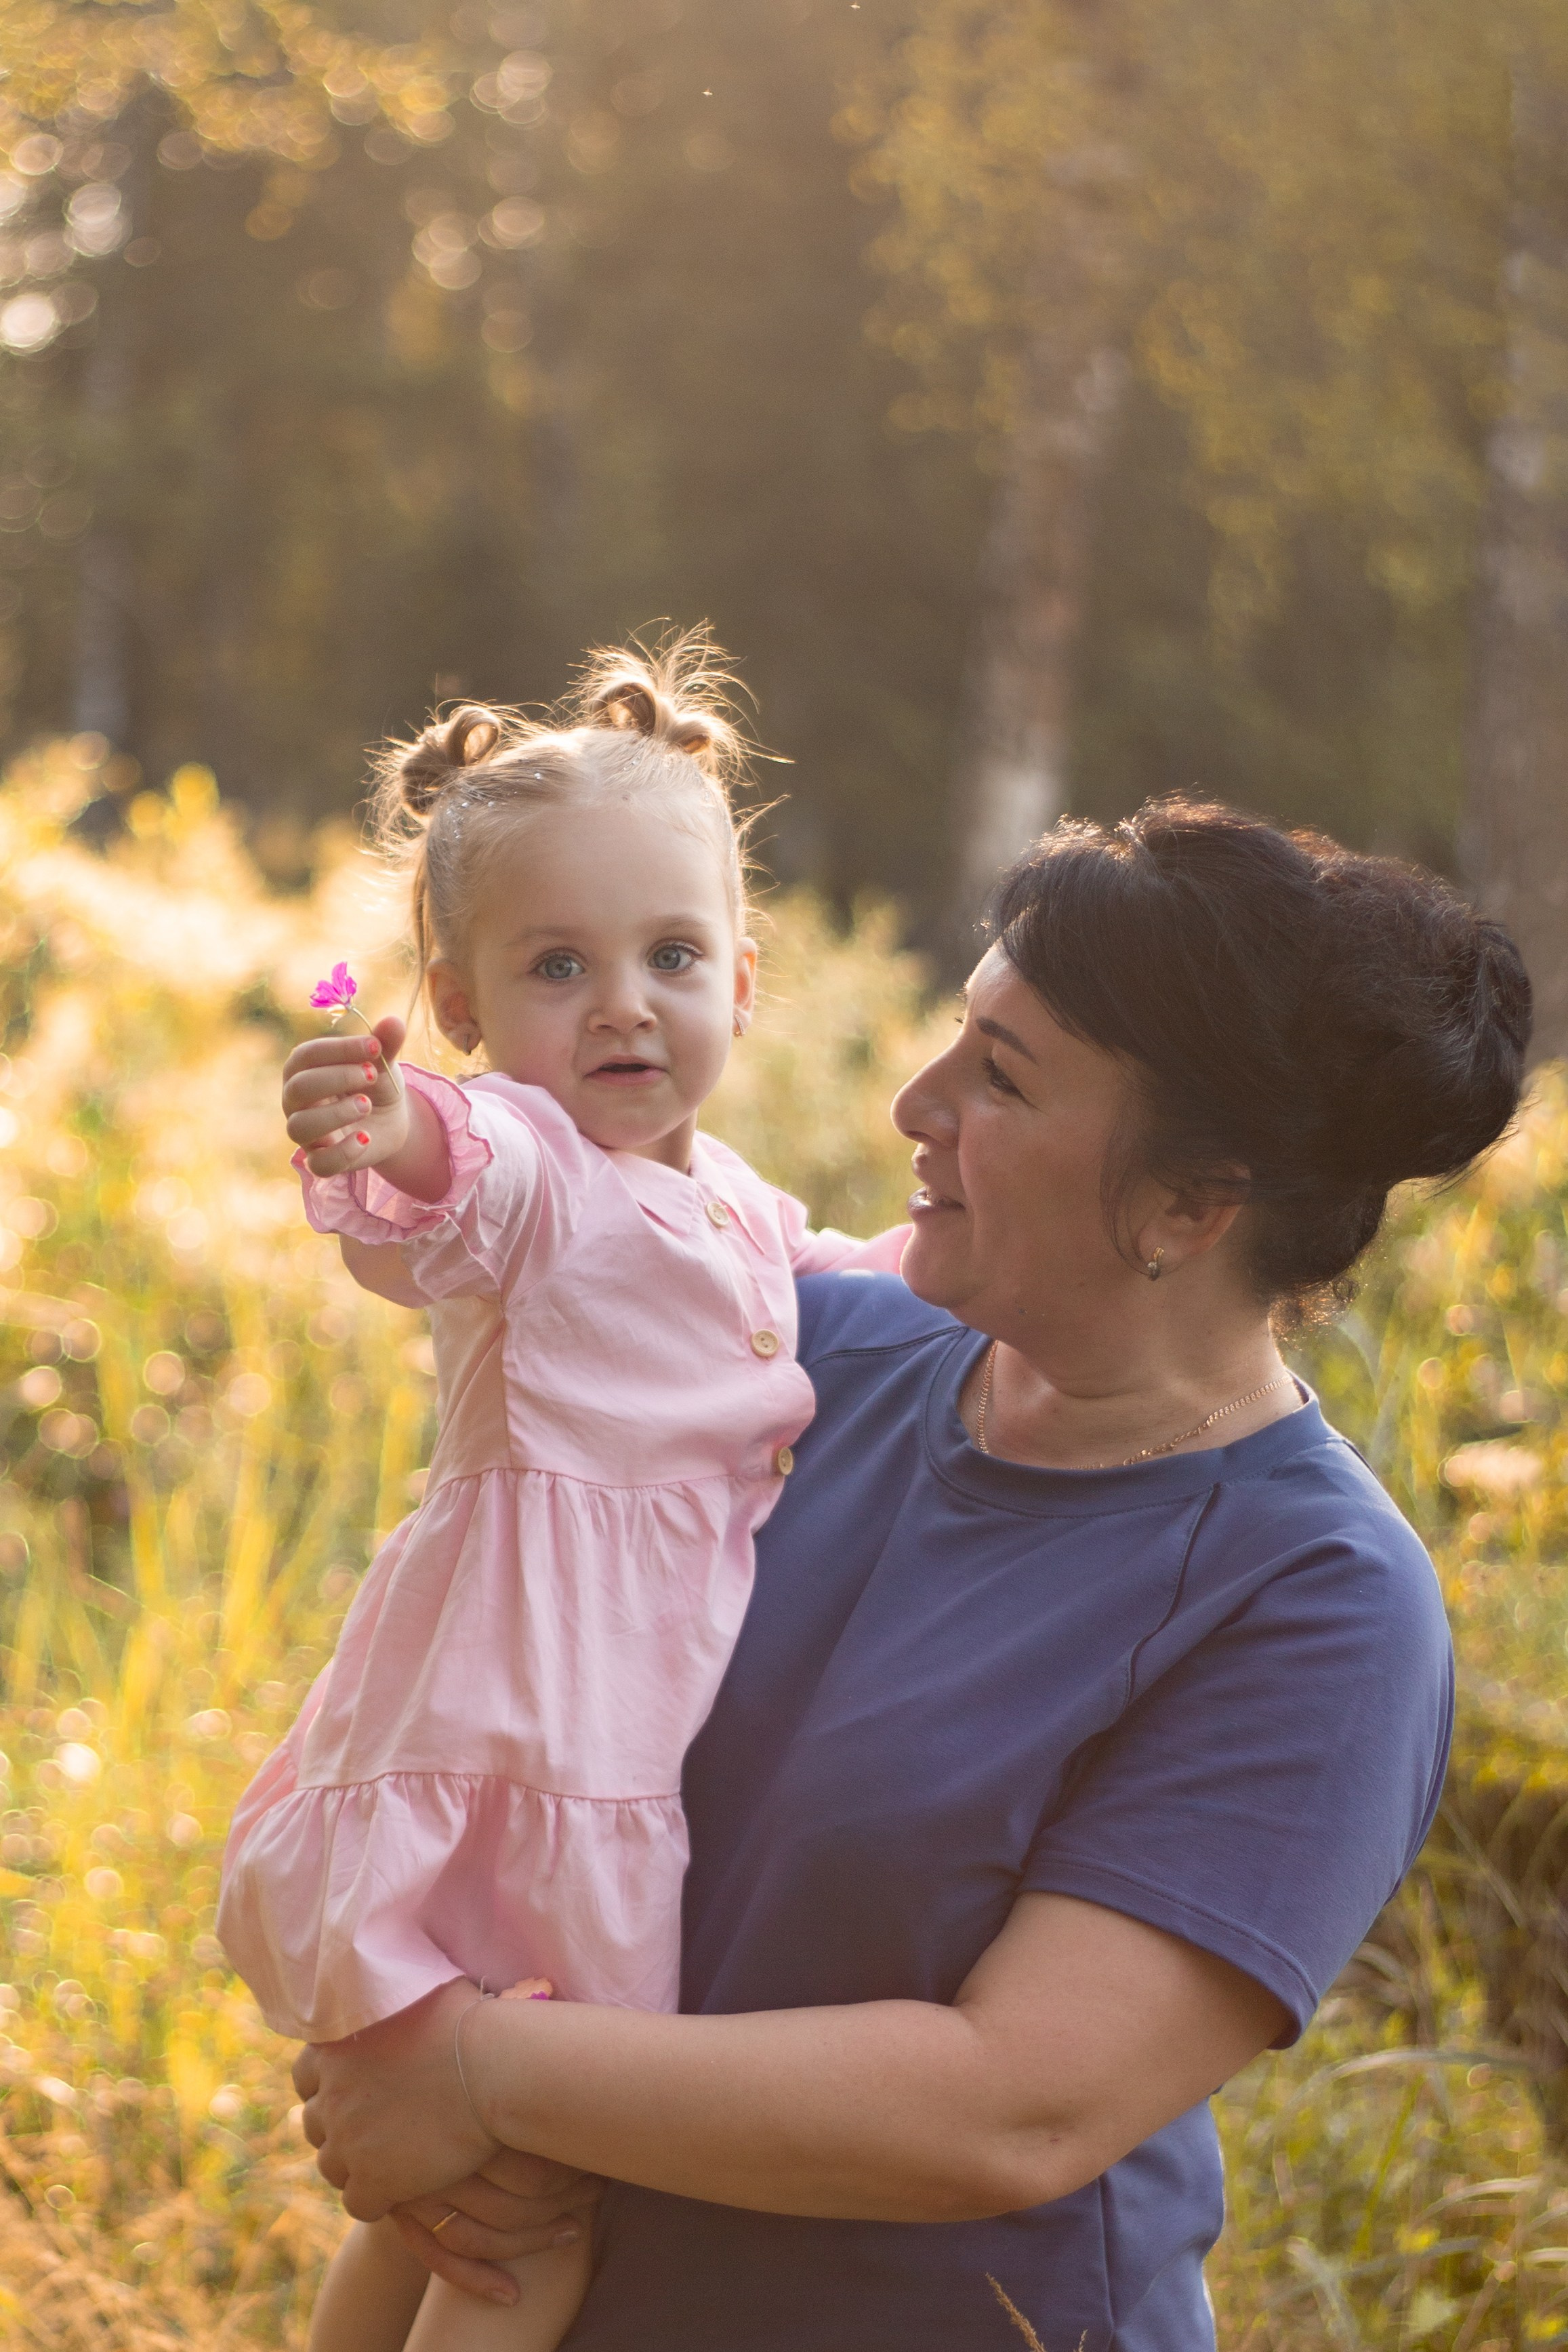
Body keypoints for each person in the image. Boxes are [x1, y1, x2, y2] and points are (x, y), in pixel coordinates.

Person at [291, 799, 1532, 2352]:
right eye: (955, 1034)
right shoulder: (805, 1357)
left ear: (1188, 1203)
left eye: (998, 1079)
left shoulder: (1316, 1597)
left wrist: (463, 2069)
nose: (910, 1103)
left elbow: (1006, 2106)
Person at [215, 636, 901, 2352]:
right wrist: (376, 1126)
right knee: (537, 2220)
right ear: (461, 1010)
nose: (622, 1005)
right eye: (555, 966)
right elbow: (447, 1176)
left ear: (743, 980)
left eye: (669, 955)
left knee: (462, 2190)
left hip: (593, 1732)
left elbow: (848, 1288)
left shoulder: (738, 1203)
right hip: (532, 1737)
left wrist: (968, 1263)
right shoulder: (532, 1172)